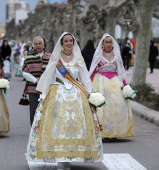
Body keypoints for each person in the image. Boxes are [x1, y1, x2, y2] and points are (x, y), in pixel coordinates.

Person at [26, 32, 103, 170]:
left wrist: (91, 93)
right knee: (58, 125)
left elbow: (84, 76)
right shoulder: (55, 58)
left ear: (73, 43)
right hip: (57, 94)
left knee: (76, 125)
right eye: (66, 41)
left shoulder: (78, 58)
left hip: (76, 95)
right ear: (61, 43)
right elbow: (48, 76)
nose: (68, 43)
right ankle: (60, 157)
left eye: (70, 41)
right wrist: (43, 94)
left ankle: (72, 154)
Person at [89, 33, 134, 141]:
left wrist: (125, 85)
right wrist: (88, 84)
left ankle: (116, 132)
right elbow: (93, 70)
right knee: (102, 107)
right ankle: (104, 132)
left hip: (115, 82)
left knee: (118, 104)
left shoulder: (117, 55)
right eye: (106, 42)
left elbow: (121, 71)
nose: (109, 44)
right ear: (102, 44)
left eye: (110, 42)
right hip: (100, 82)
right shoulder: (98, 55)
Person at [22, 36, 51, 126]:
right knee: (34, 111)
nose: (38, 45)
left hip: (47, 89)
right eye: (36, 44)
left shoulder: (50, 56)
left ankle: (45, 130)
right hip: (33, 89)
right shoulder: (29, 57)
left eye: (40, 43)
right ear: (33, 45)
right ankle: (34, 131)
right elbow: (25, 73)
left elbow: (54, 71)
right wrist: (36, 81)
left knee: (47, 110)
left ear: (44, 44)